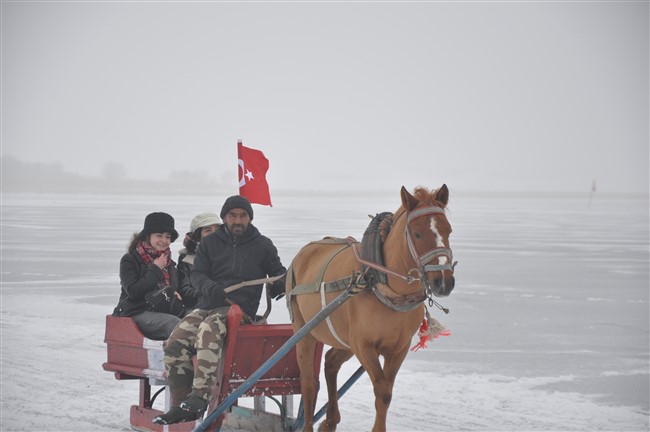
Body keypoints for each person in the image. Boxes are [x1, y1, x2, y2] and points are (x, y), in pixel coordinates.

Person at [153, 196, 286, 425]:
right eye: (232, 215)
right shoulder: (210, 243)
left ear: (250, 218)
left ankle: (199, 398)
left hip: (239, 311)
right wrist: (210, 287)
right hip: (208, 304)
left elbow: (278, 272)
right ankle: (180, 405)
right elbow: (197, 274)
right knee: (176, 339)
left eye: (243, 215)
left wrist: (279, 285)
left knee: (209, 329)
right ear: (225, 218)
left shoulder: (263, 245)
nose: (238, 220)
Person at [112, 212, 195, 340]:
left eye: (167, 237)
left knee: (197, 318)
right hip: (136, 312)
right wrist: (156, 269)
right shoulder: (130, 260)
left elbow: (172, 289)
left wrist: (175, 293)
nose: (164, 241)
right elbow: (134, 292)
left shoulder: (169, 263)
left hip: (164, 310)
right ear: (148, 236)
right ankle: (184, 359)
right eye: (159, 236)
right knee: (174, 324)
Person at [176, 212, 221, 312]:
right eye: (208, 230)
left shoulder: (232, 254)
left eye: (217, 229)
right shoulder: (186, 259)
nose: (214, 234)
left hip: (227, 306)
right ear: (198, 235)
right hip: (197, 308)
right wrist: (209, 294)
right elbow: (185, 291)